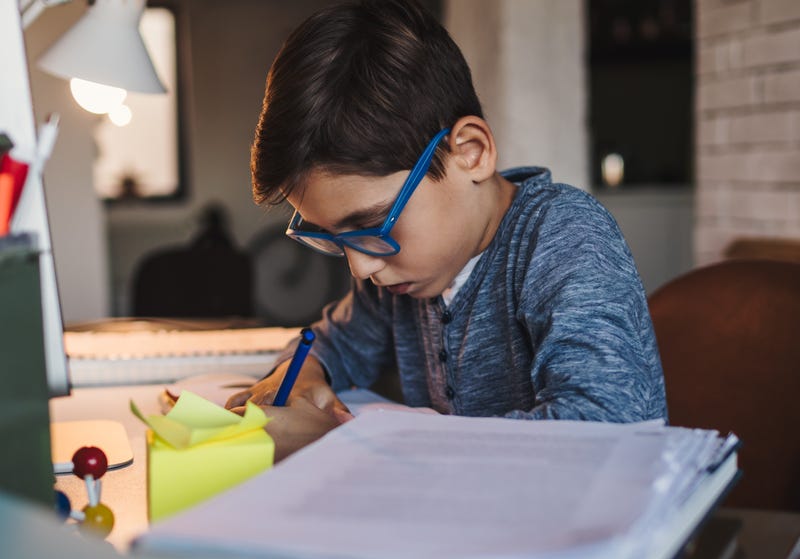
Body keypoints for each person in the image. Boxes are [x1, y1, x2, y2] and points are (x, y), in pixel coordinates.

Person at [227, 0, 667, 461]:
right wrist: (301, 372)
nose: (361, 268)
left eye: (373, 223)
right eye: (332, 237)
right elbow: (334, 342)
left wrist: (336, 441)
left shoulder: (563, 237)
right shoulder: (397, 277)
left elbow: (604, 431)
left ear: (471, 153)